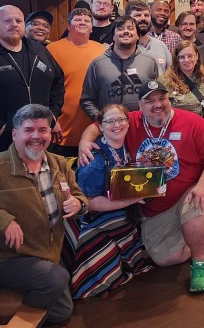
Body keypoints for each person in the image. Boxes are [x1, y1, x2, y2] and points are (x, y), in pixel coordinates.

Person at [78, 81, 204, 293]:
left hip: (193, 188)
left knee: (199, 204)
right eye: (150, 101)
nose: (157, 105)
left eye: (162, 98)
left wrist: (203, 185)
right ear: (140, 105)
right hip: (158, 205)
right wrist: (84, 142)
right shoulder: (130, 121)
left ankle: (200, 264)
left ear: (169, 100)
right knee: (164, 258)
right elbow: (96, 125)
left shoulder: (193, 122)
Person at [0, 103, 88, 323]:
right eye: (29, 130)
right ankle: (9, 316)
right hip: (7, 258)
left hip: (47, 255)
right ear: (14, 134)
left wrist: (79, 204)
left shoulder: (59, 163)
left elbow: (79, 196)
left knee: (62, 312)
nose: (36, 136)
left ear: (50, 133)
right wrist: (2, 220)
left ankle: (9, 300)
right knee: (56, 278)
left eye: (42, 130)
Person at [62, 104, 152, 299]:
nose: (117, 125)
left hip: (121, 212)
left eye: (121, 119)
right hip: (94, 219)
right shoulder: (93, 160)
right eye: (110, 121)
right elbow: (89, 203)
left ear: (128, 122)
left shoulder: (127, 145)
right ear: (100, 127)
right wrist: (132, 201)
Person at [0, 5, 65, 163]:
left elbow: (58, 81)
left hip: (36, 141)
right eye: (7, 21)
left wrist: (53, 116)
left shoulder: (38, 49)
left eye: (18, 21)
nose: (14, 24)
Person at [46, 8, 107, 156]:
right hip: (60, 128)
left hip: (94, 127)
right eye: (78, 19)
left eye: (87, 20)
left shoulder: (102, 50)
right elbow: (45, 88)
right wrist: (51, 119)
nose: (82, 22)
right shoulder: (52, 50)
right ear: (68, 25)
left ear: (92, 27)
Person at [80, 15, 160, 121]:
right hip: (110, 128)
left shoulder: (149, 61)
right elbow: (87, 100)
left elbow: (157, 95)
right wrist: (103, 120)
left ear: (138, 36)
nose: (126, 31)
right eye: (120, 29)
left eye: (130, 28)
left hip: (143, 125)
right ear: (113, 36)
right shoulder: (97, 64)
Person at [160, 40, 204, 147]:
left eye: (190, 56)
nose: (187, 60)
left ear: (197, 56)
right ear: (176, 59)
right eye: (182, 57)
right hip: (180, 141)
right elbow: (159, 114)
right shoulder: (165, 82)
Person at [126, 1, 172, 75]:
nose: (143, 18)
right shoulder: (120, 47)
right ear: (127, 19)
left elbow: (171, 75)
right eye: (138, 15)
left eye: (146, 15)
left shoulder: (161, 46)